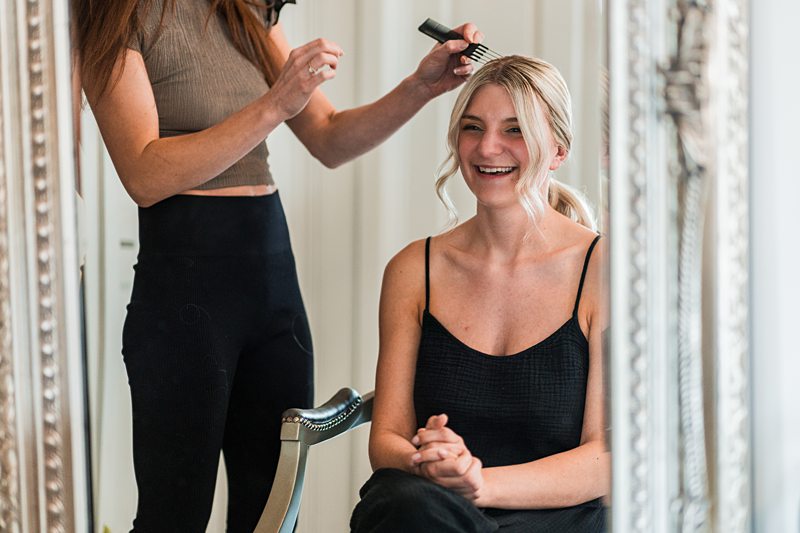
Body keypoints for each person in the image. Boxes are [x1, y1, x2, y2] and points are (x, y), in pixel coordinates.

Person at [72, 0, 483, 530]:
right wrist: (275, 102)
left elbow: (330, 137)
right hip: (185, 290)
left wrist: (421, 87)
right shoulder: (116, 17)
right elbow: (144, 174)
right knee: (173, 515)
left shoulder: (247, 13)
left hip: (272, 285)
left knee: (271, 509)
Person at [350, 55, 609, 533]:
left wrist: (478, 483)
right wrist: (435, 465)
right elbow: (387, 440)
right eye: (473, 127)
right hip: (433, 512)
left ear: (557, 150)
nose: (488, 147)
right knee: (410, 508)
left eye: (514, 130)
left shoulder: (603, 269)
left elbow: (603, 459)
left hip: (558, 516)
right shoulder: (413, 270)